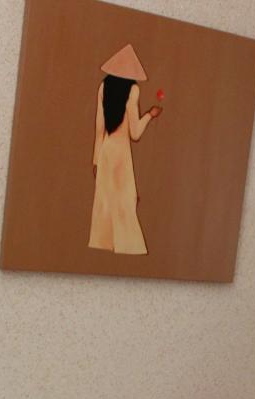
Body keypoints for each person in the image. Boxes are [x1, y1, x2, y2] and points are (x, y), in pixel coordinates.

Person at [89, 44, 162, 255]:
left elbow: (99, 128)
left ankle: (103, 244)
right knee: (125, 202)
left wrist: (96, 159)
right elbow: (135, 133)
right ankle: (128, 247)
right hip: (121, 155)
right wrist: (150, 115)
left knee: (104, 203)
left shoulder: (103, 86)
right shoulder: (133, 90)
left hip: (106, 152)